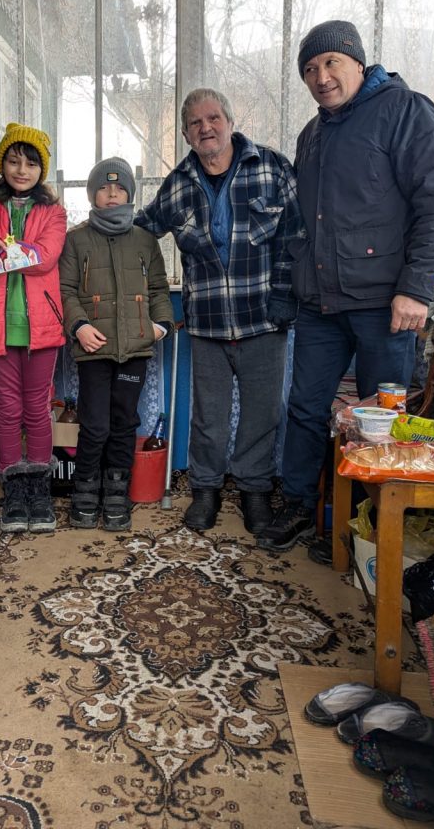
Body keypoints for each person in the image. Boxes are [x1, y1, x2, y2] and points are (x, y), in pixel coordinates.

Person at [257, 19, 434, 553]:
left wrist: (416, 290)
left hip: (385, 305)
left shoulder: (406, 111)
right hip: (320, 305)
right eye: (309, 69)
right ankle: (301, 506)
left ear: (357, 61)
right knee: (304, 408)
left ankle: (371, 529)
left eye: (330, 63)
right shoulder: (312, 134)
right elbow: (303, 225)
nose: (321, 77)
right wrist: (291, 289)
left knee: (380, 424)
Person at [136, 88, 301, 535]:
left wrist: (286, 294)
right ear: (187, 134)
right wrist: (94, 227)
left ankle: (254, 491)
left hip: (264, 317)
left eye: (213, 118)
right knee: (208, 414)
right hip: (207, 322)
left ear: (229, 120)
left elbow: (296, 236)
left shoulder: (271, 167)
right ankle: (205, 489)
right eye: (195, 123)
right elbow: (141, 229)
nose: (205, 128)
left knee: (262, 413)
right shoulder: (179, 183)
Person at [0, 124, 67, 533]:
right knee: (7, 409)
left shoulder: (53, 213)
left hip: (41, 327)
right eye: (14, 160)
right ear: (2, 163)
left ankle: (38, 488)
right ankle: (14, 492)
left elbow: (47, 257)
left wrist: (14, 251)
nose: (22, 169)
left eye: (31, 162)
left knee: (37, 408)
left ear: (43, 169)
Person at [60, 158, 174, 531]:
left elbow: (158, 288)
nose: (112, 194)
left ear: (129, 194)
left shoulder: (144, 240)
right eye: (105, 188)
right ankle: (86, 489)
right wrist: (78, 326)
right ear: (93, 194)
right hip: (94, 348)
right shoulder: (76, 239)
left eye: (119, 188)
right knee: (94, 424)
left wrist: (160, 325)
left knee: (124, 421)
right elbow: (66, 290)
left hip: (135, 349)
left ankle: (115, 490)